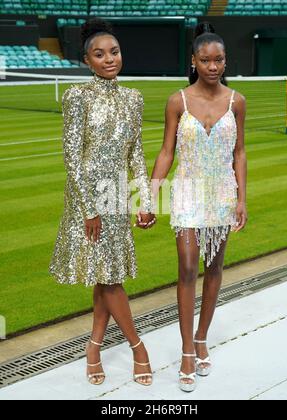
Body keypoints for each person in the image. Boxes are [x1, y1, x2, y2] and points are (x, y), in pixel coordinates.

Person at [49, 18, 156, 386]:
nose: (109, 59)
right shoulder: (77, 96)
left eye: (114, 52)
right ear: (87, 61)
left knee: (105, 275)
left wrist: (145, 199)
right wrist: (89, 209)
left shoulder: (134, 99)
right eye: (100, 54)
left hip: (118, 199)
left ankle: (93, 347)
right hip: (88, 202)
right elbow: (72, 156)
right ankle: (138, 348)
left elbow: (136, 154)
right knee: (111, 279)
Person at [150, 22, 248, 392]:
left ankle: (203, 335)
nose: (212, 66)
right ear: (193, 61)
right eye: (205, 59)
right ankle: (187, 349)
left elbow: (239, 153)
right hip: (188, 193)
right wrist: (150, 195)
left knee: (215, 267)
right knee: (188, 266)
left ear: (225, 61)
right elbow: (166, 151)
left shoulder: (237, 101)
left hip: (221, 194)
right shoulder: (178, 100)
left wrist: (241, 199)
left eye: (219, 59)